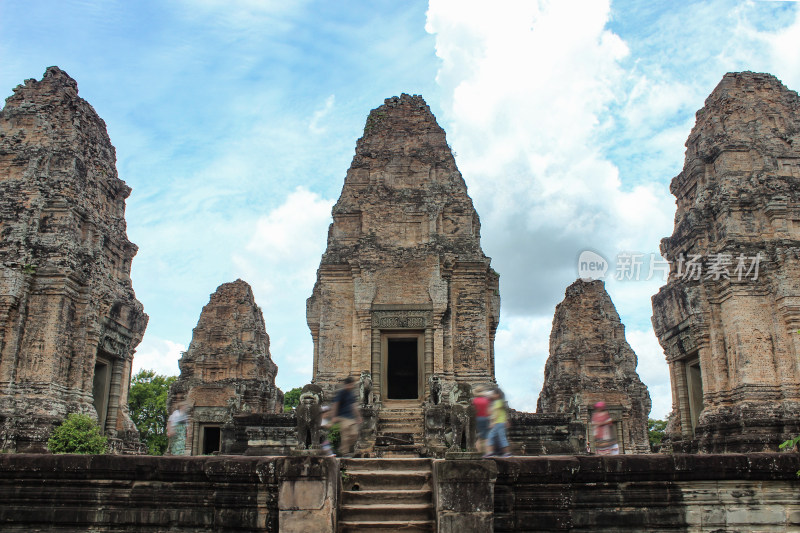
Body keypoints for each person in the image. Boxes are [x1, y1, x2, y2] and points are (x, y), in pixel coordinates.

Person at [330, 376, 362, 457]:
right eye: (351, 384)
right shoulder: (341, 393)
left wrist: (358, 416)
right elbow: (335, 404)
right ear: (347, 384)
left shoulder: (351, 394)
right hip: (343, 417)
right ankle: (345, 452)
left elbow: (354, 406)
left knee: (354, 434)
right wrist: (334, 416)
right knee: (345, 435)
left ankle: (342, 449)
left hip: (351, 417)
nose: (353, 386)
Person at [486, 388, 511, 457]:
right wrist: (506, 421)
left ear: (497, 395)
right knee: (500, 437)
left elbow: (497, 413)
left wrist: (492, 422)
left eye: (493, 394)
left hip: (498, 423)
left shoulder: (498, 402)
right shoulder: (499, 402)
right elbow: (503, 413)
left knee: (492, 437)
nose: (492, 395)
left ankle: (490, 452)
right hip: (500, 423)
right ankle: (505, 453)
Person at [472, 386, 491, 455]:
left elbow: (472, 411)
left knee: (479, 437)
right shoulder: (486, 400)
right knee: (486, 437)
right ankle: (488, 453)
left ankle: (478, 452)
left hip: (477, 419)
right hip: (485, 419)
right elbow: (489, 411)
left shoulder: (474, 401)